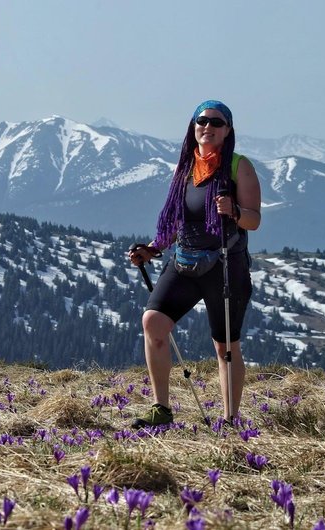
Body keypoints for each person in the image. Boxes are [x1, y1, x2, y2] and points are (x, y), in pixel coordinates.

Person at [128, 99, 261, 427]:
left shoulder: (238, 166)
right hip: (184, 260)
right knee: (153, 323)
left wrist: (234, 212)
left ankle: (229, 420)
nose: (208, 127)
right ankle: (161, 409)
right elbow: (176, 220)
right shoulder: (186, 167)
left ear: (228, 130)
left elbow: (254, 220)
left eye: (217, 123)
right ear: (193, 126)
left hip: (226, 265)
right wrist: (153, 249)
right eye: (202, 121)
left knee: (225, 346)